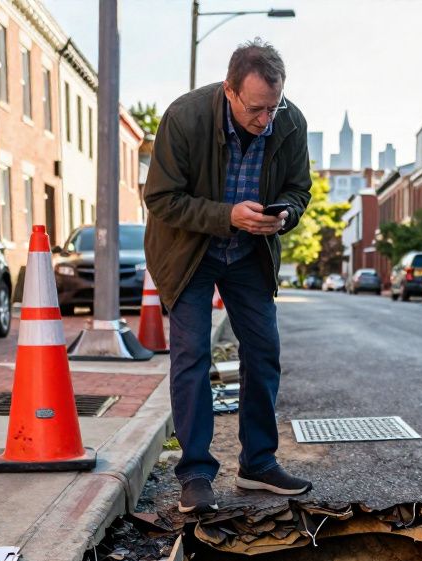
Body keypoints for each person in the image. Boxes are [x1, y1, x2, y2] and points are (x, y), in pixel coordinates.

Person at [144, 40, 313, 514]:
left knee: (264, 351)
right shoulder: (185, 117)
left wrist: (286, 216)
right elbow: (160, 199)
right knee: (192, 356)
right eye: (256, 109)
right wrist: (228, 216)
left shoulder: (290, 121)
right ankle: (195, 472)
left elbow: (299, 188)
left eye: (273, 107)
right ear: (230, 91)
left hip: (249, 255)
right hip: (189, 253)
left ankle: (258, 463)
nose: (266, 119)